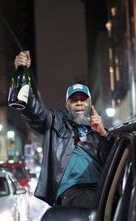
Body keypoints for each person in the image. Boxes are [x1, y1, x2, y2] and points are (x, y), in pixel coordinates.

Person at [13, 51, 113, 207]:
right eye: (74, 100)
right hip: (73, 191)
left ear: (89, 104)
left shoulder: (98, 129)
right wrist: (22, 72)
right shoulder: (55, 121)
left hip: (103, 189)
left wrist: (104, 134)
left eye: (83, 100)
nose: (79, 103)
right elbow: (32, 109)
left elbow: (113, 162)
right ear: (67, 105)